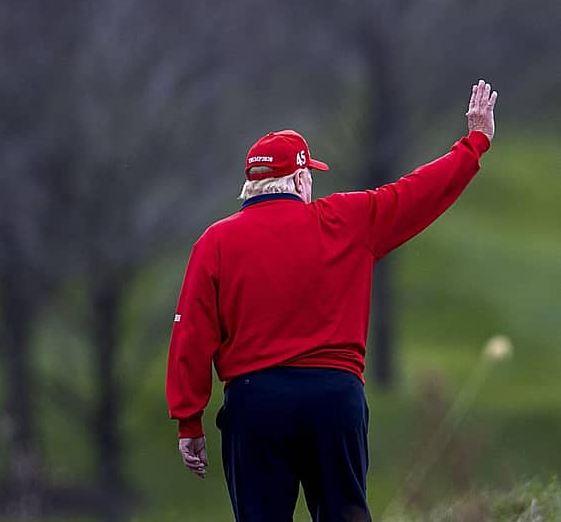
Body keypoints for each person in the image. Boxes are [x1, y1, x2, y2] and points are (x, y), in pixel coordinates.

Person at [165, 80, 498, 521]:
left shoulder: (215, 243)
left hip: (256, 402)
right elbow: (419, 192)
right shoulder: (346, 219)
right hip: (333, 399)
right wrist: (475, 142)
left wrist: (189, 419)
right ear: (301, 178)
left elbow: (191, 332)